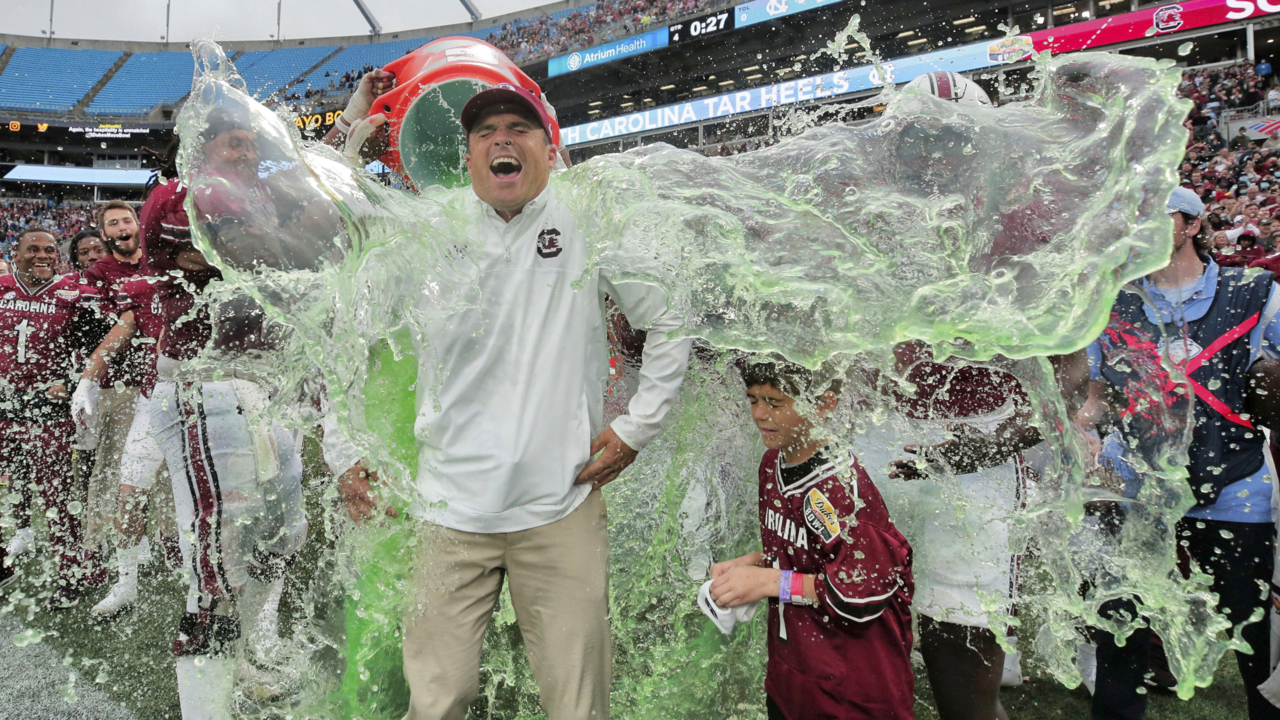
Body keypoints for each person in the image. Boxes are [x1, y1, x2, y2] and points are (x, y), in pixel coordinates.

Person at [322, 79, 693, 719]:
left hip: (560, 504)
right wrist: (344, 451)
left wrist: (637, 427)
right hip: (447, 509)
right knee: (439, 701)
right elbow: (347, 335)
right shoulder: (426, 229)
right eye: (486, 132)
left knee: (578, 704)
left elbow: (669, 315)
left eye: (519, 129)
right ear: (465, 156)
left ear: (550, 151)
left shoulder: (590, 221)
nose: (502, 140)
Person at [1085, 187, 1280, 720]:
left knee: (1255, 633)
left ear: (1191, 224)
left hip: (1236, 486)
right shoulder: (1111, 298)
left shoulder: (1256, 291)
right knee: (1120, 634)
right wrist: (1084, 443)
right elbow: (1091, 395)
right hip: (1135, 484)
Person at [142, 135, 309, 718]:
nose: (245, 151)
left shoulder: (257, 195)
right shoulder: (176, 197)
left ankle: (254, 656)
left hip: (264, 388)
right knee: (214, 568)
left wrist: (354, 122)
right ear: (198, 145)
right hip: (205, 388)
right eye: (230, 141)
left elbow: (308, 195)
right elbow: (232, 249)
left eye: (250, 143)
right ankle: (204, 708)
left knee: (276, 536)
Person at [710, 359, 914, 720]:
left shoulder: (841, 488)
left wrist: (768, 580)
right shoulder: (772, 463)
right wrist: (755, 564)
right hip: (794, 679)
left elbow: (862, 594)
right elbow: (810, 551)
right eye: (753, 399)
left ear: (825, 404)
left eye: (775, 402)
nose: (759, 413)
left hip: (852, 690)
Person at [71, 199, 179, 616]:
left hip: (200, 396)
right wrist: (87, 380)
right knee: (127, 488)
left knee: (195, 491)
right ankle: (124, 580)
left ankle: (195, 566)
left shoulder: (198, 272)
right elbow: (122, 329)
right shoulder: (138, 284)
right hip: (147, 396)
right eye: (111, 224)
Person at [0, 227, 108, 606]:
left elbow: (105, 346)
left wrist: (71, 380)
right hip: (3, 407)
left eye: (50, 250)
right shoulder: (1, 287)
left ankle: (71, 575)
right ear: (16, 252)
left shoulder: (73, 295)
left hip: (48, 413)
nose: (43, 255)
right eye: (34, 249)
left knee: (57, 499)